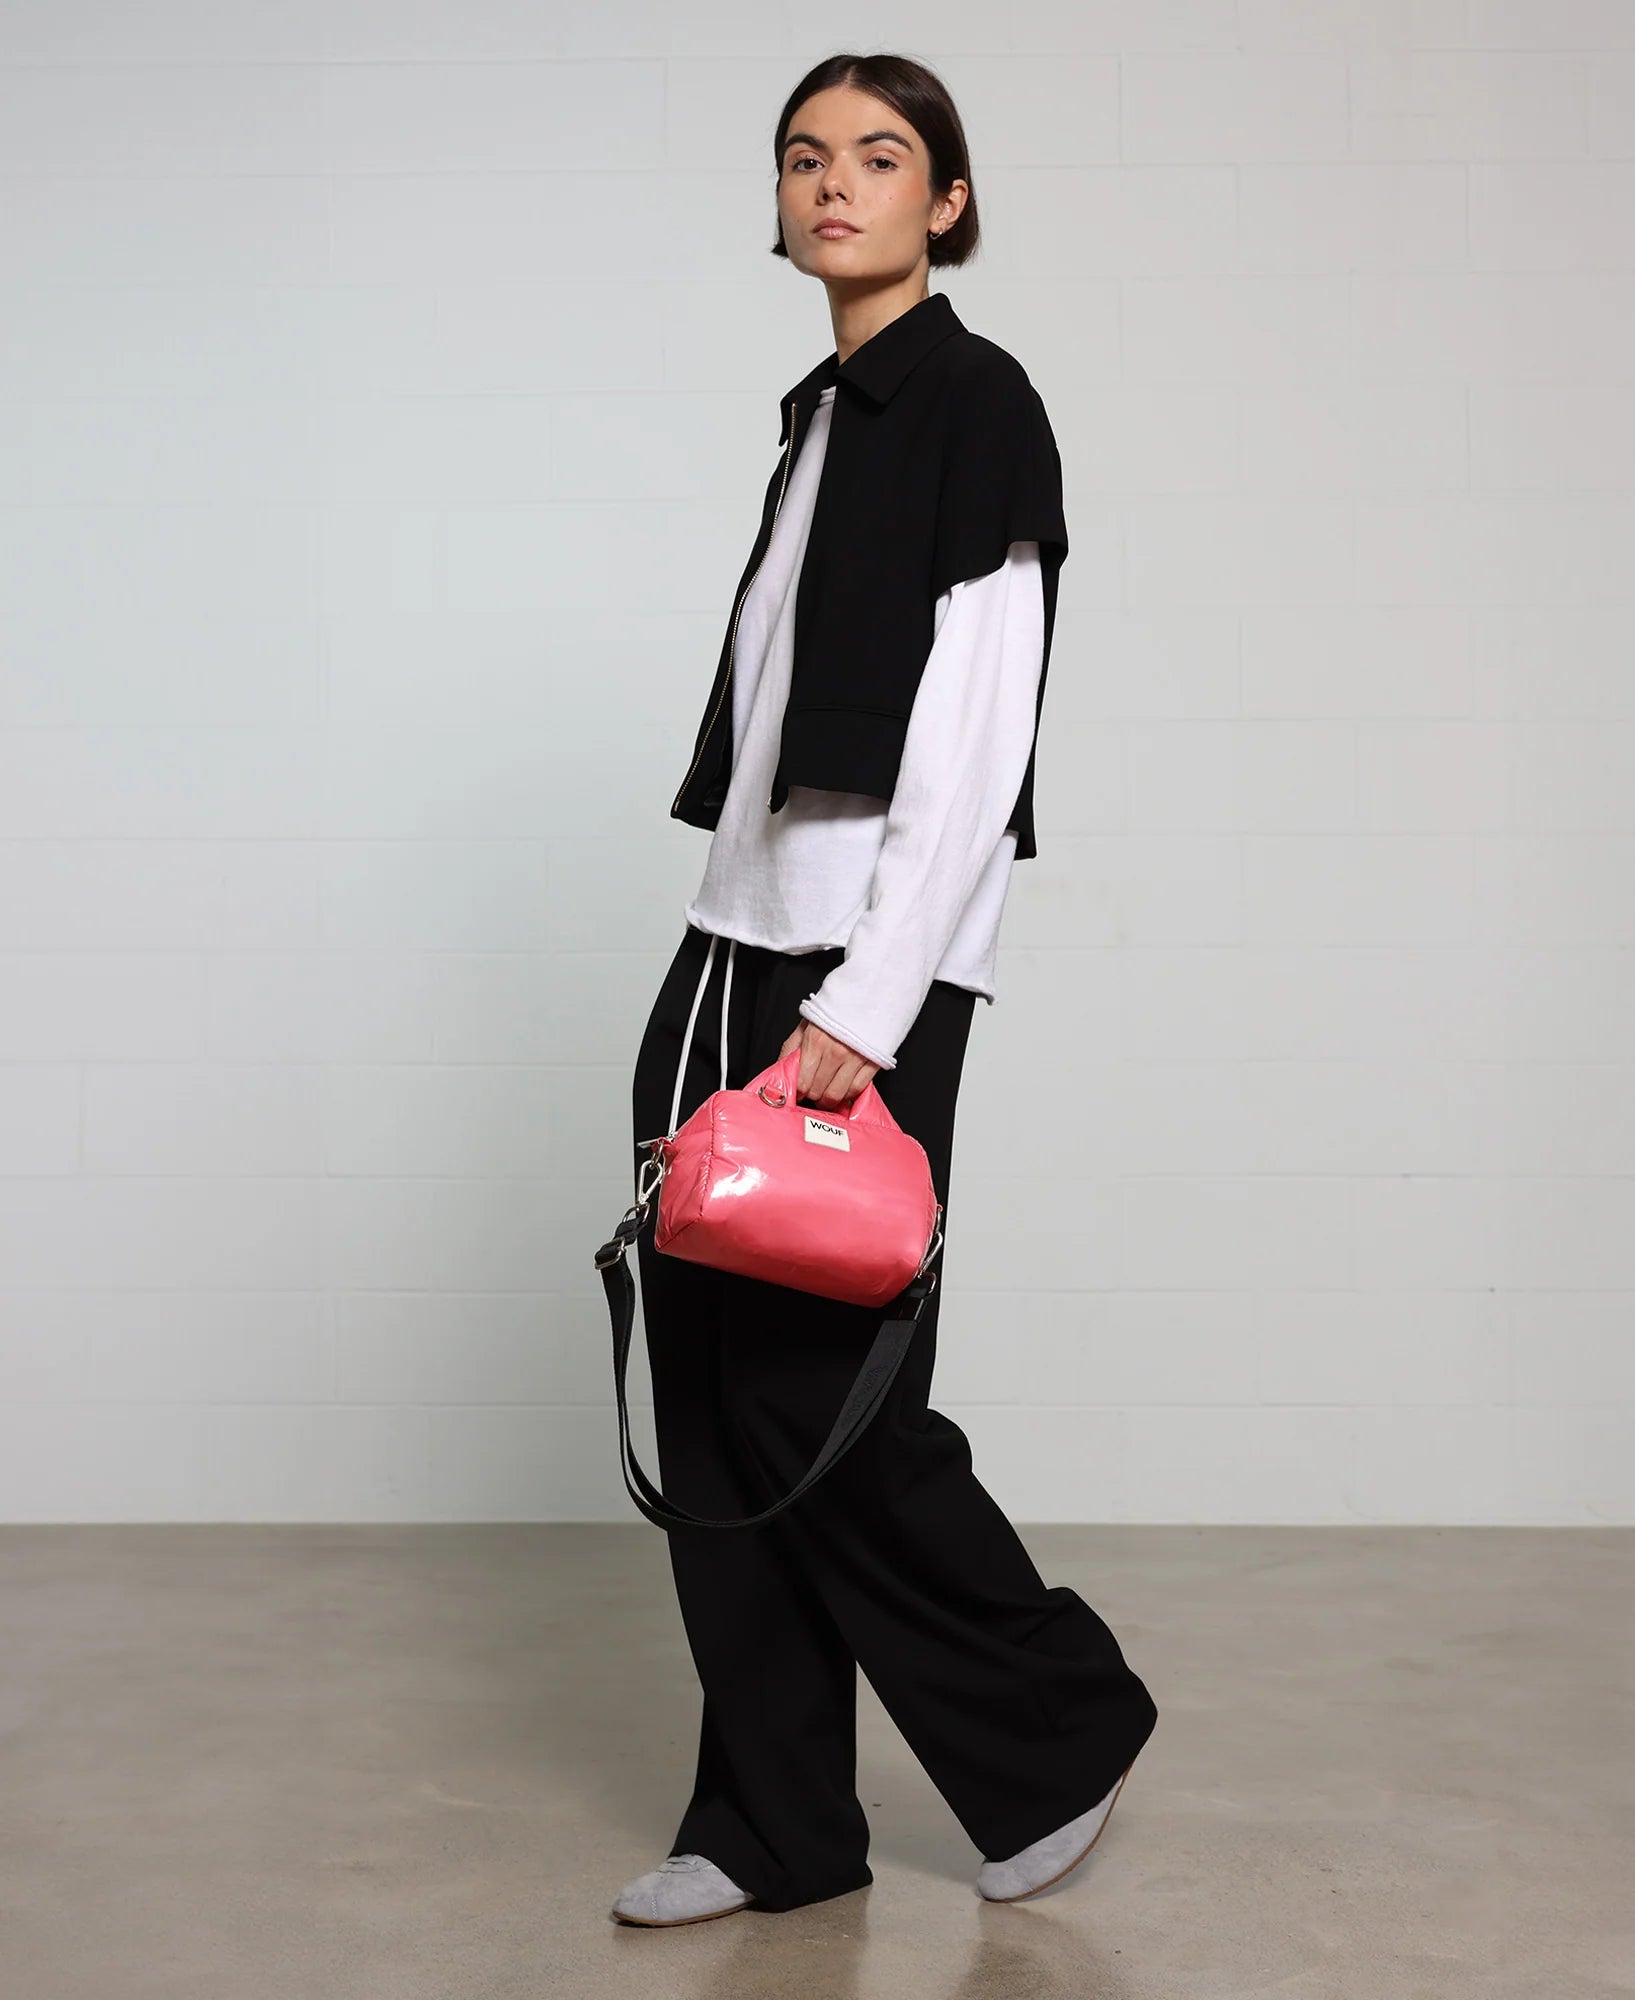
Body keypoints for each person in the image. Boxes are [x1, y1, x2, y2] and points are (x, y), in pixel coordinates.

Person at [613, 52, 1158, 1926]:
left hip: (851, 971)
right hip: (727, 945)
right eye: (802, 157)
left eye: (878, 154)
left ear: (947, 200)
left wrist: (870, 999)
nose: (832, 182)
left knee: (829, 1400)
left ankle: (1053, 1730)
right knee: (714, 1400)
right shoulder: (826, 416)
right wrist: (737, 951)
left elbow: (980, 736)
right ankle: (773, 1825)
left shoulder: (975, 405)